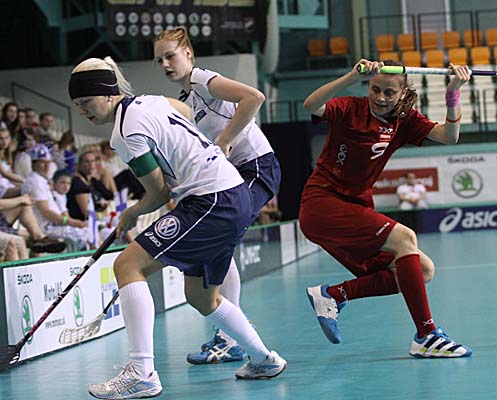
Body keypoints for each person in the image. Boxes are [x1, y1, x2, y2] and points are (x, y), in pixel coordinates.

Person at [69, 56, 286, 399]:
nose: (82, 110)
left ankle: (141, 372)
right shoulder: (152, 101)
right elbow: (183, 113)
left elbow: (158, 194)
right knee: (201, 297)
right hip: (232, 194)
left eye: (86, 101)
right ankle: (263, 359)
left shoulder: (124, 134)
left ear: (108, 93)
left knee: (127, 265)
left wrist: (130, 213)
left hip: (210, 199)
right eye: (77, 105)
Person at [300, 59, 472, 358]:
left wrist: (453, 92)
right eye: (375, 89)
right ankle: (427, 334)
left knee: (423, 269)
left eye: (389, 92)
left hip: (355, 206)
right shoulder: (350, 108)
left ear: (403, 92)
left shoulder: (405, 120)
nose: (380, 97)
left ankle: (334, 294)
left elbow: (449, 136)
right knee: (405, 238)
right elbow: (311, 105)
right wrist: (351, 76)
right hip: (323, 204)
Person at [154, 27, 281, 365]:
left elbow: (253, 97)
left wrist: (224, 140)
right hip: (231, 176)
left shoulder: (201, 79)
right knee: (221, 242)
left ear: (188, 54)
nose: (165, 64)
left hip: (256, 167)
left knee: (220, 239)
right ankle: (229, 336)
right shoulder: (185, 102)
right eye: (159, 60)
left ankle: (229, 338)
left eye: (170, 56)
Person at [22, 146, 88, 251]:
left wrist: (69, 221)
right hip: (47, 227)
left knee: (88, 231)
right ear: (33, 164)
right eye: (42, 162)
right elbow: (46, 212)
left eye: (48, 163)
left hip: (55, 224)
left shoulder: (42, 180)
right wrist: (70, 222)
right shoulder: (35, 182)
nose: (46, 166)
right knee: (84, 233)